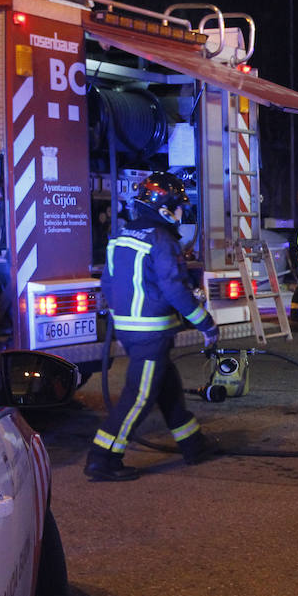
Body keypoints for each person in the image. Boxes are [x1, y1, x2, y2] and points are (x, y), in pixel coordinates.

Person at [86, 172, 221, 482]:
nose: (180, 214)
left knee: (167, 387)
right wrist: (206, 324)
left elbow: (107, 281)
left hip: (131, 330)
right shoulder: (161, 239)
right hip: (151, 332)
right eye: (177, 208)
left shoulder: (121, 235)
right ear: (163, 209)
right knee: (140, 396)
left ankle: (193, 445)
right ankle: (102, 458)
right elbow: (174, 289)